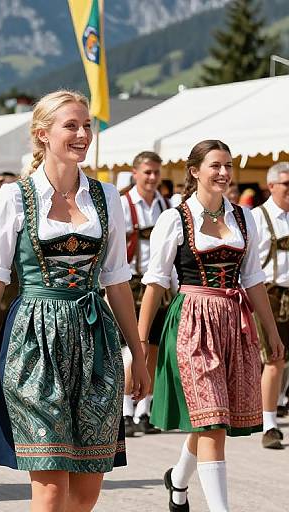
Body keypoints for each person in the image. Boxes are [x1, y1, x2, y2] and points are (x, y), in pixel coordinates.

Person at [0, 90, 149, 512]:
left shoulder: (107, 198)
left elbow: (117, 282)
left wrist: (136, 355)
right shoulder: (14, 197)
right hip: (33, 341)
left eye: (87, 125)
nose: (83, 133)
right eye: (72, 125)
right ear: (43, 134)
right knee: (49, 485)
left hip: (95, 340)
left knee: (85, 490)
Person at [137, 140, 284, 512]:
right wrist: (140, 340)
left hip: (234, 322)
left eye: (228, 166)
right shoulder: (175, 218)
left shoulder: (244, 217)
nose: (223, 173)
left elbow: (252, 279)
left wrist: (271, 332)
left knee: (215, 421)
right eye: (215, 165)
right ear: (194, 171)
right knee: (212, 421)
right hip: (192, 323)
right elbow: (154, 282)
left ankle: (178, 481)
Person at [120, 151, 171, 437]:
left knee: (153, 348)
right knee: (132, 347)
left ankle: (144, 410)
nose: (152, 178)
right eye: (147, 172)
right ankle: (126, 409)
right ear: (135, 173)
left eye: (156, 173)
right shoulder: (125, 204)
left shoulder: (165, 205)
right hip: (132, 283)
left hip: (159, 284)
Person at [252, 162, 289, 450]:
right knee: (274, 359)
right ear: (272, 185)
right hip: (269, 295)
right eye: (286, 184)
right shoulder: (257, 218)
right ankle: (269, 424)